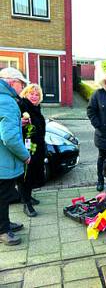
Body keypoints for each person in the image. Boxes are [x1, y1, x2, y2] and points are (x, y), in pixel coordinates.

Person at [0, 67, 31, 245]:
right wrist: (25, 155)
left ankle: (5, 223)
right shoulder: (8, 101)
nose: (22, 88)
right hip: (3, 161)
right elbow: (9, 138)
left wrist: (16, 122)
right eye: (22, 84)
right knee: (3, 196)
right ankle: (3, 231)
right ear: (12, 82)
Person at [17, 84, 46, 217]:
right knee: (25, 176)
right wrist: (20, 122)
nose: (34, 96)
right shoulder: (22, 106)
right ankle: (26, 204)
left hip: (36, 147)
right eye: (31, 94)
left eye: (37, 94)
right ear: (25, 94)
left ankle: (27, 197)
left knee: (32, 174)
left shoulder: (36, 108)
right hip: (26, 148)